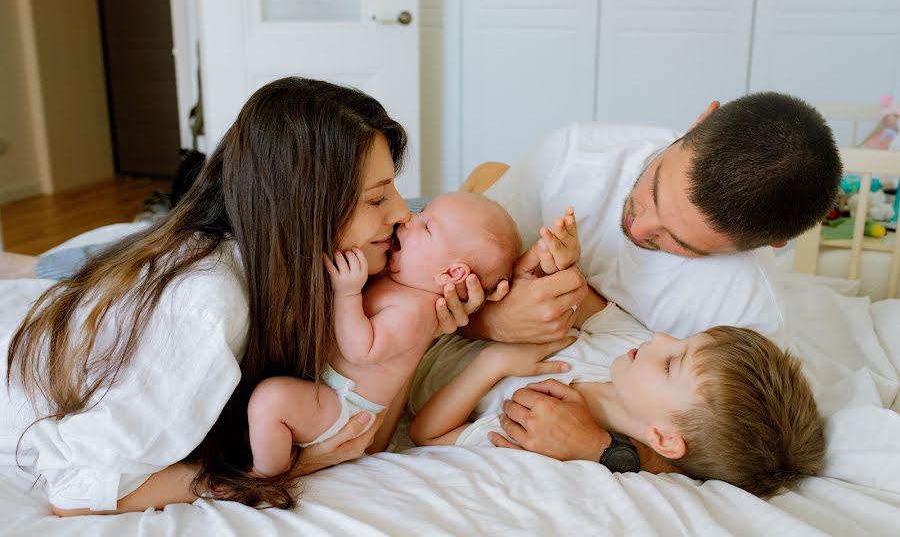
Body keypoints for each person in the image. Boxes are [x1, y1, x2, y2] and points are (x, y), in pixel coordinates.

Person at [1, 77, 491, 515]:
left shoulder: (307, 269)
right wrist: (283, 470)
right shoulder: (208, 304)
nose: (404, 214)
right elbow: (78, 489)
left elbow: (362, 434)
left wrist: (420, 331)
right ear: (303, 204)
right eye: (377, 198)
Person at [453, 92, 842, 465]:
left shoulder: (747, 315)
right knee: (476, 193)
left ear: (773, 244)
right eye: (652, 190)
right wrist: (489, 321)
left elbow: (729, 453)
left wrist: (603, 450)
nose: (639, 228)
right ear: (700, 120)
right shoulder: (576, 156)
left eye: (678, 241)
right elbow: (434, 272)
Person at [408, 214, 826, 498]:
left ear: (663, 437)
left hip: (410, 353)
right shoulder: (626, 349)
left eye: (670, 363)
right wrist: (558, 265)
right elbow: (576, 297)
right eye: (682, 342)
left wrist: (495, 362)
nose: (661, 338)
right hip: (447, 294)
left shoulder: (541, 428)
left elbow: (426, 434)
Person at [248, 192, 520, 477]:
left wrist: (347, 293)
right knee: (259, 415)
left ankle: (265, 476)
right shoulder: (401, 284)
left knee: (270, 401)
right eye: (422, 211)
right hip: (329, 388)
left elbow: (361, 351)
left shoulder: (416, 312)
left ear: (451, 274)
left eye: (427, 227)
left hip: (345, 407)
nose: (409, 219)